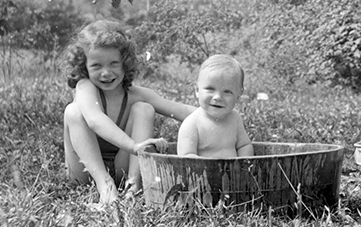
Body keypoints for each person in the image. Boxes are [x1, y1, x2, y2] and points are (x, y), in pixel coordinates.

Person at [63, 19, 196, 205]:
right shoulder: (85, 88)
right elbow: (95, 120)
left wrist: (221, 115)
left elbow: (180, 111)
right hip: (84, 170)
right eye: (96, 66)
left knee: (144, 109)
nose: (106, 72)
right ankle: (105, 186)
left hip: (121, 166)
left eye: (113, 64)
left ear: (125, 63)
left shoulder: (135, 95)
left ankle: (133, 184)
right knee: (73, 111)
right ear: (84, 66)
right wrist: (134, 146)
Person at [177, 54, 254, 158]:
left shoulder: (235, 119)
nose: (218, 97)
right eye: (210, 89)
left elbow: (244, 145)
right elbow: (186, 156)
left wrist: (244, 164)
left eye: (227, 92)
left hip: (233, 173)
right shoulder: (192, 123)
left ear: (238, 95)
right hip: (202, 173)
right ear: (197, 90)